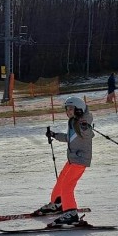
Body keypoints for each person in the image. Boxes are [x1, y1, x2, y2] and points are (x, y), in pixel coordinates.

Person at [35, 96, 94, 226]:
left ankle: (71, 213)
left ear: (79, 109)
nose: (68, 112)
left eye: (71, 109)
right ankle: (57, 203)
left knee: (67, 186)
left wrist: (85, 127)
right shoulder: (73, 121)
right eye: (67, 109)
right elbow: (69, 138)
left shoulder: (84, 121)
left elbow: (89, 134)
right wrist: (55, 135)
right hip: (72, 159)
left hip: (80, 159)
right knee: (62, 180)